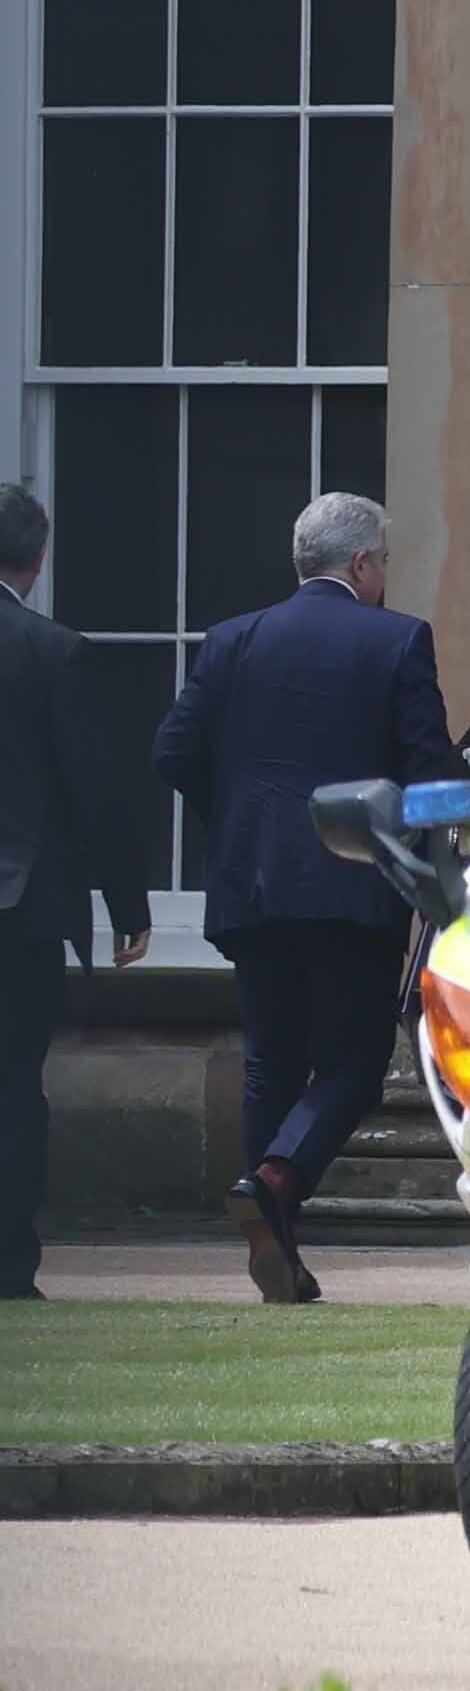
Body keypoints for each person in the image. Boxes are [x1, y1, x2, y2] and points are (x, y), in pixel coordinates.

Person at [155, 493, 462, 1306]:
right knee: (356, 1068)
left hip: (251, 882)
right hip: (353, 881)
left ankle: (281, 1260)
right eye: (385, 561)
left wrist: (241, 827)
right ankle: (277, 1180)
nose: (386, 575)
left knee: (272, 1065)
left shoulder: (231, 641)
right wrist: (448, 840)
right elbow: (430, 772)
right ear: (361, 564)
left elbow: (174, 752)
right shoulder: (397, 639)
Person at [0, 485, 150, 1299]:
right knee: (15, 1087)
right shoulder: (53, 651)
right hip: (19, 910)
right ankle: (7, 1268)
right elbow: (95, 792)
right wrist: (129, 904)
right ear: (38, 557)